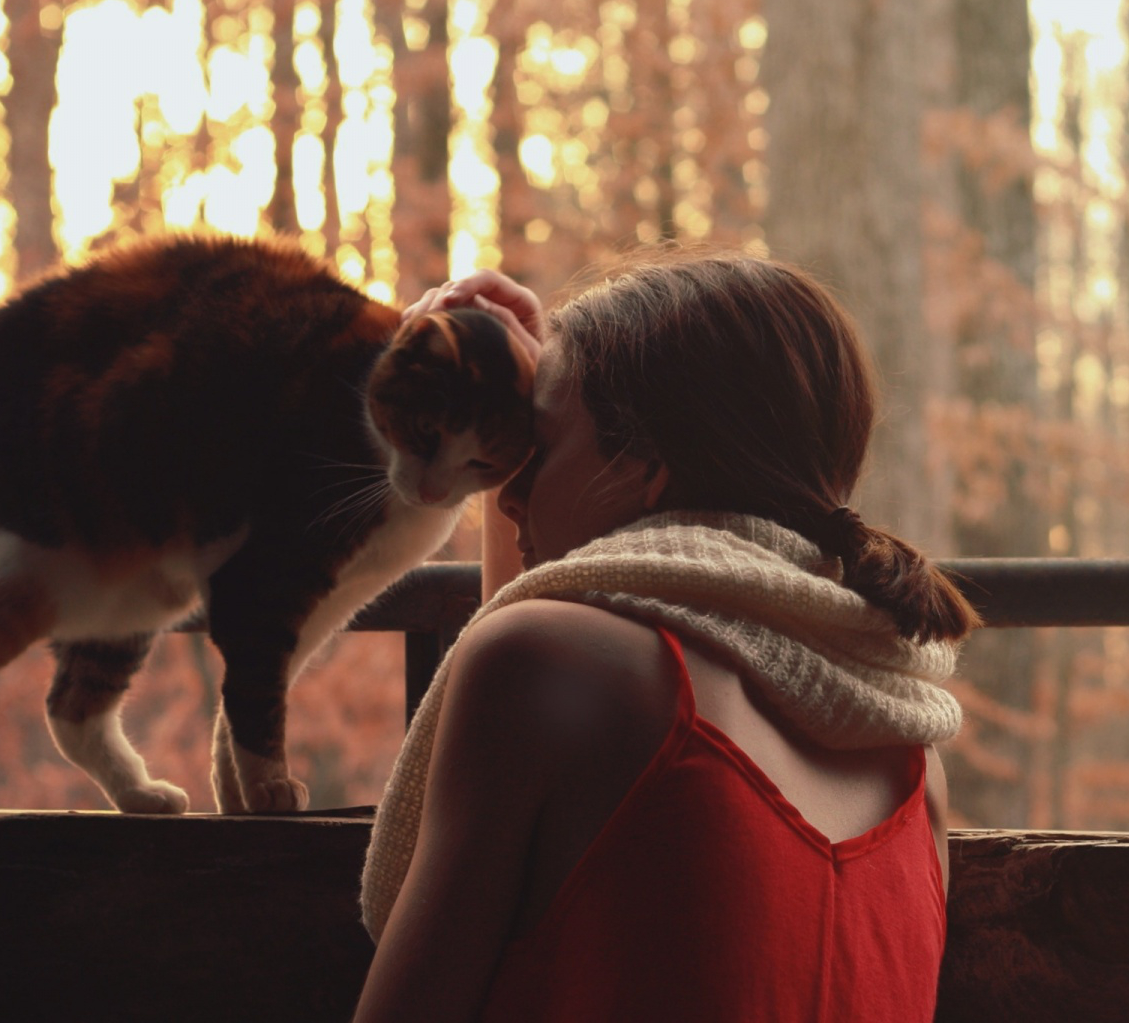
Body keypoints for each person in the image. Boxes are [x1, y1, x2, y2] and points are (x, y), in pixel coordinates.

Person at [351, 252, 979, 1023]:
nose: (506, 489)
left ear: (645, 467)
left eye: (534, 446)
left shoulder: (545, 668)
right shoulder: (911, 757)